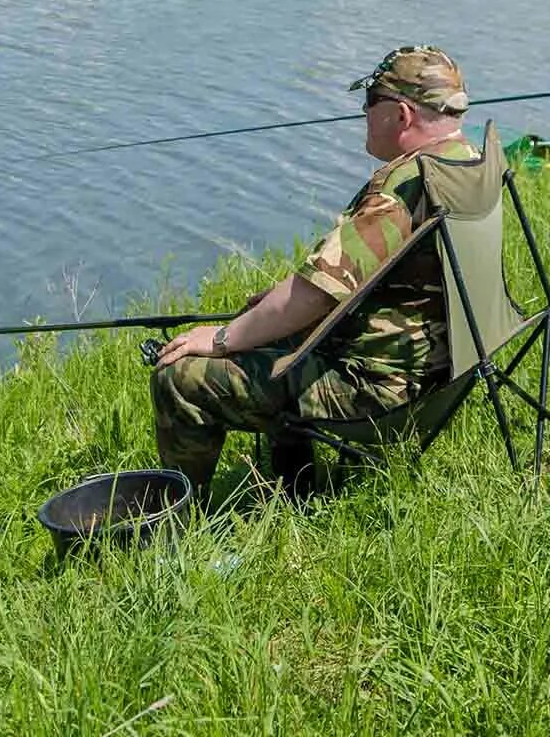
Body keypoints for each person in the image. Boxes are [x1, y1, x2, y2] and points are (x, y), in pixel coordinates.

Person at [150, 46, 478, 492]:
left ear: (401, 115)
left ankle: (178, 521)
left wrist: (224, 337)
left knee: (180, 375)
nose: (364, 113)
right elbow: (337, 278)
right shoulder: (466, 163)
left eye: (370, 103)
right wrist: (276, 306)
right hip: (441, 368)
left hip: (378, 391)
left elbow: (316, 295)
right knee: (271, 327)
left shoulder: (399, 194)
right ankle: (296, 489)